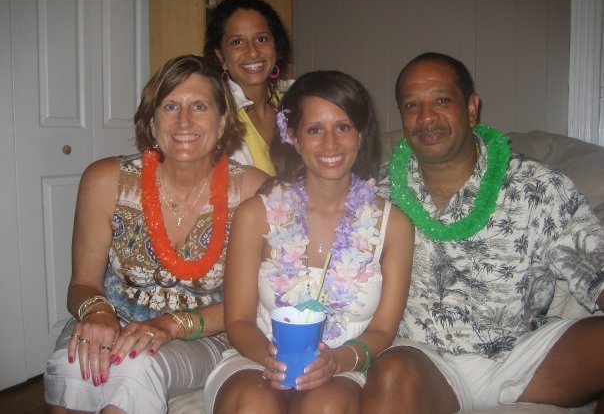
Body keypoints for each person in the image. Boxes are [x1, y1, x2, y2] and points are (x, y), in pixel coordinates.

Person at [364, 52, 604, 413]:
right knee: (392, 374)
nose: (426, 117)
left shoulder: (537, 186)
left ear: (472, 109)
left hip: (527, 355)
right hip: (425, 361)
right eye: (412, 105)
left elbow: (596, 271)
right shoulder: (378, 194)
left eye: (442, 100)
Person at [44, 54, 268, 414]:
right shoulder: (105, 180)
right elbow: (82, 284)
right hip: (114, 320)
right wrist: (98, 311)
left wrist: (172, 325)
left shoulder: (254, 192)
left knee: (136, 365)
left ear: (223, 120)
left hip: (203, 334)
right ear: (151, 121)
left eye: (199, 106)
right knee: (75, 364)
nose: (184, 121)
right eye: (169, 106)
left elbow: (258, 302)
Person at [203, 70, 415, 414]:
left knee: (325, 406)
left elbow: (383, 329)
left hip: (344, 369)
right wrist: (271, 360)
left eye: (343, 127)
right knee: (254, 405)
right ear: (294, 138)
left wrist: (337, 361)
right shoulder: (256, 215)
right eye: (315, 130)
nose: (330, 144)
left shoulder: (394, 226)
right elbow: (238, 319)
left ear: (360, 135)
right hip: (258, 361)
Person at [203, 0, 294, 176]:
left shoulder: (295, 100)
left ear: (275, 46)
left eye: (261, 39)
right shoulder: (216, 116)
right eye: (237, 42)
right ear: (221, 56)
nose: (252, 52)